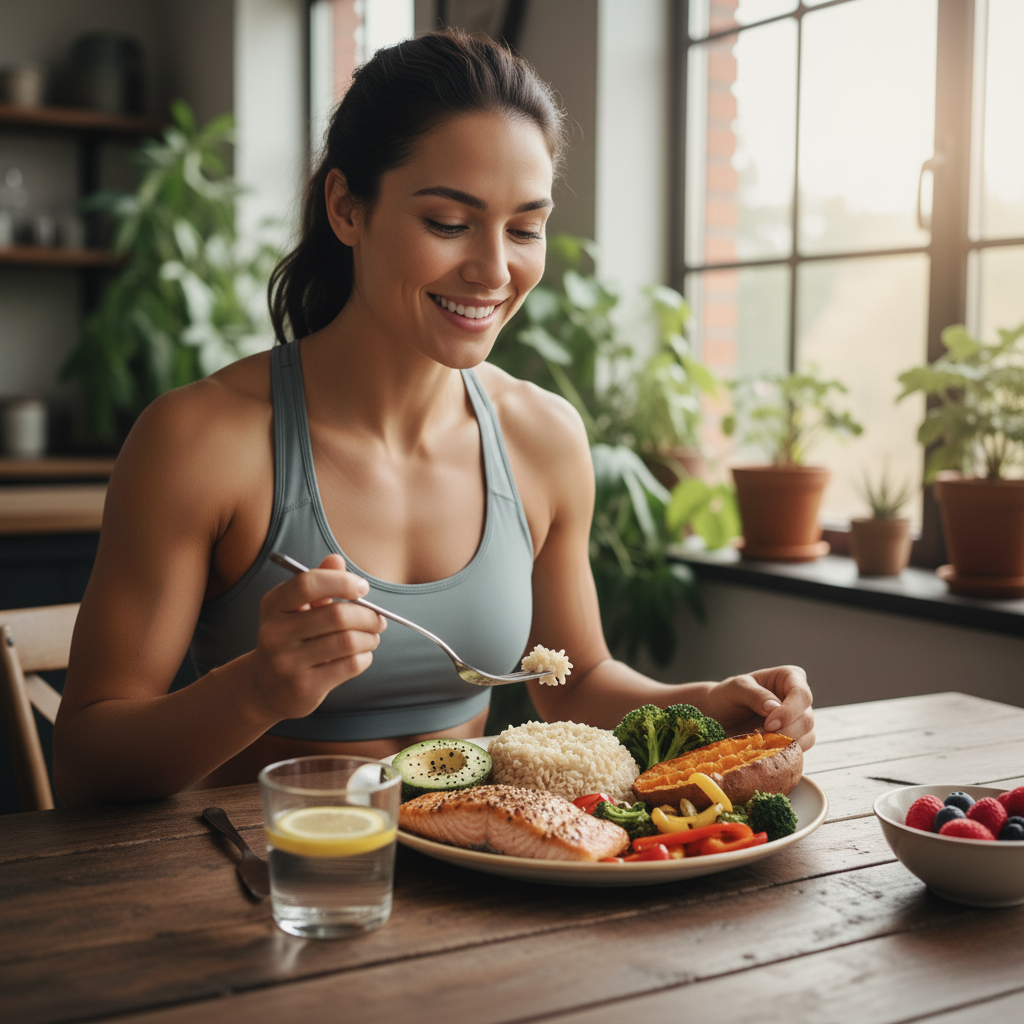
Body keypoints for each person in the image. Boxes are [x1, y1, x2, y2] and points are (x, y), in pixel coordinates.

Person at [53, 31, 813, 807]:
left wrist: (708, 702)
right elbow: (83, 763)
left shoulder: (543, 437)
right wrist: (257, 688)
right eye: (450, 222)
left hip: (476, 873)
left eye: (524, 228)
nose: (493, 269)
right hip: (268, 878)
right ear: (348, 209)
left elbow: (575, 681)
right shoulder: (200, 440)